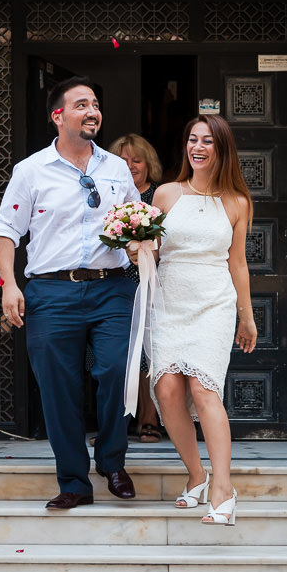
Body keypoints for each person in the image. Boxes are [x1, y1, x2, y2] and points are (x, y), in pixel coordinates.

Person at [0, 76, 140, 509]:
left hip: (112, 288)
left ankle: (112, 461)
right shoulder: (31, 170)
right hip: (51, 293)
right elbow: (5, 230)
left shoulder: (116, 169)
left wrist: (141, 241)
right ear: (58, 116)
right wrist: (10, 285)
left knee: (115, 372)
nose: (92, 111)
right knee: (58, 387)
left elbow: (133, 221)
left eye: (95, 104)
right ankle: (74, 481)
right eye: (81, 105)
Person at [128, 114, 257, 525]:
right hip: (169, 301)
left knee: (203, 389)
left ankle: (223, 487)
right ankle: (196, 475)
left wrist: (246, 317)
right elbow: (153, 251)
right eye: (192, 140)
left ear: (222, 148)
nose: (197, 147)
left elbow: (238, 264)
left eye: (207, 141)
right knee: (166, 390)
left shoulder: (238, 202)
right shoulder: (165, 194)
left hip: (213, 302)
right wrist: (137, 249)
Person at [109, 133, 163, 443]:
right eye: (123, 161)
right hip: (115, 281)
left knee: (148, 352)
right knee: (114, 355)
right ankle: (114, 425)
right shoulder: (109, 196)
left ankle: (148, 419)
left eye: (136, 160)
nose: (130, 166)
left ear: (149, 164)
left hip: (151, 281)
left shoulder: (160, 196)